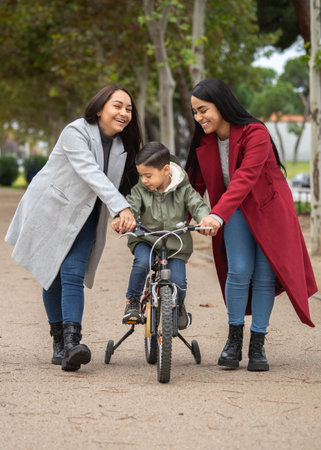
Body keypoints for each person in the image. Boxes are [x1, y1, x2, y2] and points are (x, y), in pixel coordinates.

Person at [5, 85, 142, 371]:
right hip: (52, 210)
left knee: (72, 273)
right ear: (99, 108)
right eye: (117, 106)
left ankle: (71, 344)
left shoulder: (121, 147)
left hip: (88, 216)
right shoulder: (75, 131)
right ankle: (59, 341)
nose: (124, 113)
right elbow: (89, 171)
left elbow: (128, 185)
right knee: (51, 274)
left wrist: (128, 212)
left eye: (129, 108)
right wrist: (120, 207)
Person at [185, 77, 317, 371]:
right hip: (233, 211)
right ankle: (234, 340)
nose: (199, 117)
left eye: (203, 109)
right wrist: (177, 224)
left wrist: (217, 215)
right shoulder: (203, 141)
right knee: (239, 269)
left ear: (221, 104)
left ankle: (258, 344)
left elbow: (245, 177)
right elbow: (193, 186)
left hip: (268, 211)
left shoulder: (255, 132)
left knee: (263, 276)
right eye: (194, 112)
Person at [112, 141, 210, 329]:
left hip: (175, 243)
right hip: (146, 238)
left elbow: (197, 204)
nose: (144, 180)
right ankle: (132, 301)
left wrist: (206, 220)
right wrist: (122, 219)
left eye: (148, 175)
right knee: (142, 263)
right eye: (141, 176)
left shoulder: (183, 189)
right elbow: (130, 206)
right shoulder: (140, 190)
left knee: (179, 281)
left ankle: (178, 305)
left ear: (165, 170)